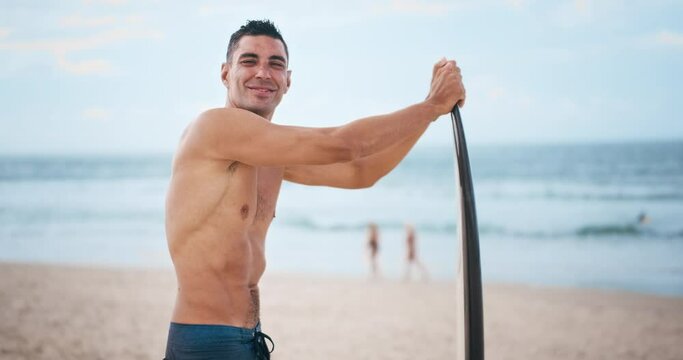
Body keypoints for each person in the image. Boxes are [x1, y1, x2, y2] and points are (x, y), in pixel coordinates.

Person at [164, 19, 465, 360]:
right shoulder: (214, 128)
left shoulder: (269, 154)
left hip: (250, 337)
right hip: (206, 340)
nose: (263, 72)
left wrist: (430, 111)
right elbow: (343, 145)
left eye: (275, 64)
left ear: (288, 80)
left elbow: (360, 171)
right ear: (225, 73)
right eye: (249, 61)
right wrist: (432, 106)